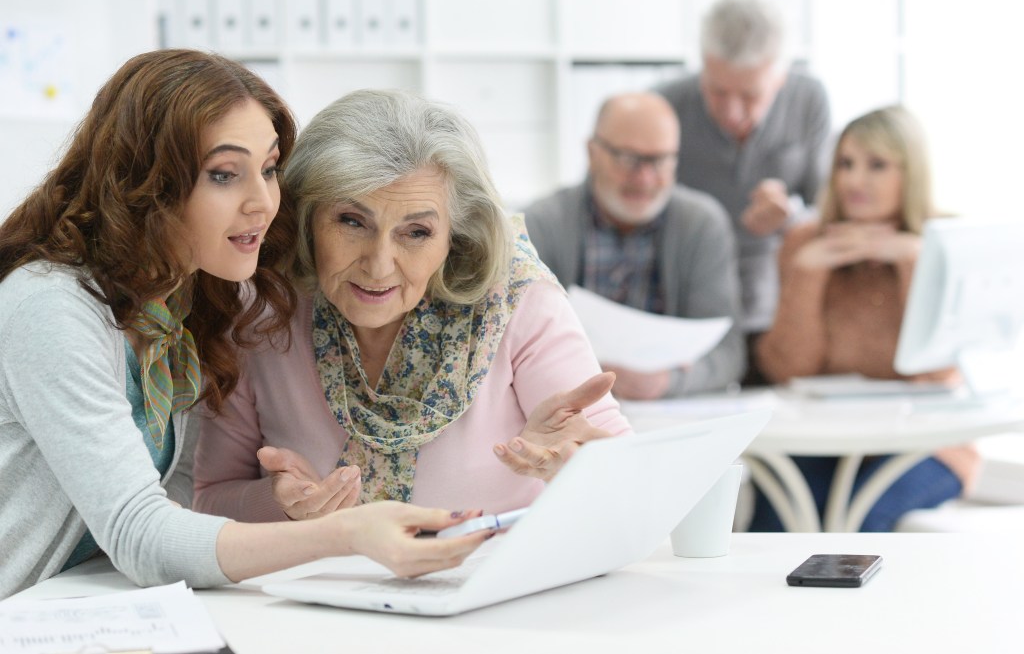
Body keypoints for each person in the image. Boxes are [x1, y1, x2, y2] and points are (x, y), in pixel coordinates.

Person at [0, 50, 489, 599]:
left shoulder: (183, 303)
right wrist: (345, 534)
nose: (262, 202)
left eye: (270, 168)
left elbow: (176, 504)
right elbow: (141, 534)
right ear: (145, 183)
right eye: (224, 175)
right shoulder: (50, 308)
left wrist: (280, 502)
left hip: (73, 605)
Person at [192, 88, 630, 523]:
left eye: (416, 232)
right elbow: (209, 499)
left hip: (494, 584)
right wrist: (280, 502)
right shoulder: (262, 311)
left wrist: (576, 470)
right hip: (320, 588)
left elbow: (633, 485)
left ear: (454, 238)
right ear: (307, 219)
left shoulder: (520, 303)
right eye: (351, 221)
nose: (379, 265)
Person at [750, 105, 979, 531]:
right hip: (828, 438)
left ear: (910, 173)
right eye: (845, 164)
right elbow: (789, 369)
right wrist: (807, 272)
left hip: (927, 444)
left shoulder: (944, 241)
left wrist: (914, 260)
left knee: (867, 518)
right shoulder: (806, 242)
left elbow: (937, 374)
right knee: (774, 522)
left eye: (876, 165)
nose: (855, 180)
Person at [655, 0, 831, 383]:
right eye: (717, 91)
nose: (733, 112)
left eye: (750, 95)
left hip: (774, 302)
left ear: (780, 78)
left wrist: (790, 216)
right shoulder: (664, 105)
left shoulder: (809, 100)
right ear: (703, 65)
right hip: (688, 302)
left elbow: (830, 212)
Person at [524, 92, 744, 399]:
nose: (644, 178)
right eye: (628, 159)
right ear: (592, 153)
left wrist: (667, 382)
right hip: (570, 408)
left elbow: (728, 353)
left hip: (669, 413)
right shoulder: (542, 224)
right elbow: (518, 344)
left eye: (660, 161)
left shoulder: (702, 225)